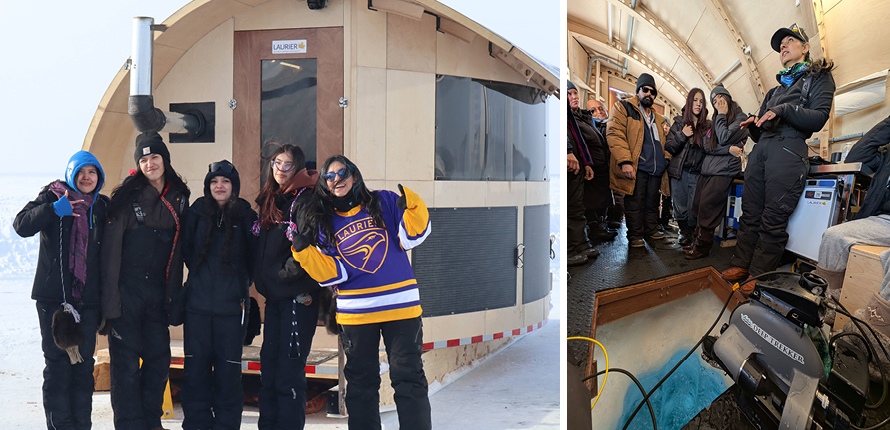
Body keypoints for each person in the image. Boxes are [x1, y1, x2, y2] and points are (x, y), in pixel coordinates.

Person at [291, 155, 432, 430]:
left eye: (342, 172)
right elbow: (333, 274)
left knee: (409, 379)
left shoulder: (383, 201)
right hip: (357, 315)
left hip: (401, 308)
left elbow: (412, 236)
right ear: (325, 184)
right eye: (329, 176)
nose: (336, 179)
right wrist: (304, 252)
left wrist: (413, 205)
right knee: (360, 386)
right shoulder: (323, 221)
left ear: (354, 175)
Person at [721, 23, 835, 284]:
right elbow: (761, 131)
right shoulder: (774, 91)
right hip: (762, 150)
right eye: (780, 45)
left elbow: (819, 117)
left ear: (805, 48)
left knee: (773, 217)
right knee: (750, 213)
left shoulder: (819, 77)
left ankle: (759, 273)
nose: (783, 46)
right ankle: (741, 264)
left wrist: (784, 110)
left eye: (789, 41)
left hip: (788, 151)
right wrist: (754, 125)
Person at [101, 131, 190, 430]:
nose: (150, 164)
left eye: (155, 157)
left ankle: (151, 422)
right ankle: (128, 424)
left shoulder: (179, 197)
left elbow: (180, 252)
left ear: (165, 159)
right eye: (143, 159)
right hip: (126, 296)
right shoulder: (126, 198)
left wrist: (174, 297)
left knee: (158, 361)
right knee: (125, 368)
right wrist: (110, 303)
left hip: (158, 296)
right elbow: (110, 255)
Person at [14, 151, 108, 430]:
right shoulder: (53, 196)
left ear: (99, 177)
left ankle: (81, 425)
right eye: (81, 172)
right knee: (58, 366)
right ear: (71, 174)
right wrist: (53, 210)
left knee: (83, 367)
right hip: (53, 299)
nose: (86, 178)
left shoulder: (102, 206)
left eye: (92, 172)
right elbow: (21, 225)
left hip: (87, 301)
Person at [180, 160, 257, 430]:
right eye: (214, 181)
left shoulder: (247, 216)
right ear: (207, 186)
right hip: (197, 310)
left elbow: (253, 260)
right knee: (195, 375)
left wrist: (237, 288)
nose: (219, 186)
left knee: (228, 377)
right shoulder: (197, 212)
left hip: (232, 312)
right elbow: (187, 252)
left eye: (225, 181)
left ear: (234, 186)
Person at [252, 144, 320, 430]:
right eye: (277, 163)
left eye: (288, 164)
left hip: (297, 297)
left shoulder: (305, 200)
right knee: (269, 368)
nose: (280, 169)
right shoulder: (273, 199)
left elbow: (308, 245)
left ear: (298, 168)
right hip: (275, 298)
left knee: (288, 375)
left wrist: (281, 275)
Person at [812, 116, 890, 331]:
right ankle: (826, 306)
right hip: (883, 219)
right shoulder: (887, 153)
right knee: (833, 237)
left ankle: (876, 333)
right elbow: (857, 157)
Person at [606, 73, 671, 248]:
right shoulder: (623, 108)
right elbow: (614, 134)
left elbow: (664, 143)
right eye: (645, 89)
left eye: (652, 92)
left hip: (655, 169)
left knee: (652, 203)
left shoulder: (659, 119)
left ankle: (651, 229)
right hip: (637, 166)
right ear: (638, 91)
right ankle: (635, 235)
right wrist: (625, 161)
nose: (649, 94)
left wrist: (665, 159)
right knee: (635, 202)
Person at [685, 84, 748, 259]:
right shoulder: (713, 123)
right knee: (698, 206)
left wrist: (721, 114)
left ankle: (702, 247)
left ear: (728, 98)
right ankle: (695, 241)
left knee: (708, 209)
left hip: (723, 171)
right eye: (714, 100)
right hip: (707, 170)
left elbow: (724, 136)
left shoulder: (740, 118)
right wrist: (727, 150)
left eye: (720, 97)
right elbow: (707, 146)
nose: (717, 102)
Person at [665, 88, 711, 246]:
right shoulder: (679, 123)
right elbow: (669, 147)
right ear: (689, 101)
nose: (698, 104)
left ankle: (692, 232)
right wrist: (682, 135)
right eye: (695, 100)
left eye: (701, 101)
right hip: (680, 172)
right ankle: (684, 232)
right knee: (680, 206)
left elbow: (710, 149)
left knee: (694, 207)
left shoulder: (707, 126)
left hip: (698, 174)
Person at [574, 96, 617, 244]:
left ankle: (601, 226)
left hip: (605, 169)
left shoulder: (607, 125)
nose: (598, 112)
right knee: (591, 201)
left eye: (601, 108)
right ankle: (595, 229)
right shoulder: (580, 123)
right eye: (593, 110)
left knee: (602, 201)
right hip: (592, 169)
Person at [566, 82, 598, 264]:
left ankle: (580, 244)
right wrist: (566, 151)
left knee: (577, 207)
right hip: (568, 163)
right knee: (567, 207)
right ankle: (569, 250)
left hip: (577, 164)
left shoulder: (572, 118)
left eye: (575, 93)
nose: (574, 97)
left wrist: (586, 162)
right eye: (569, 94)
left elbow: (579, 140)